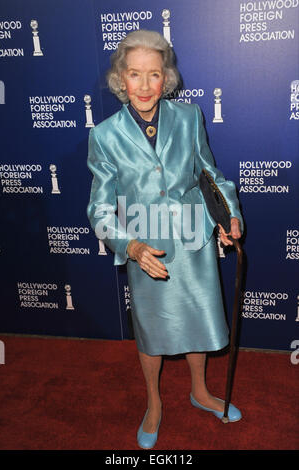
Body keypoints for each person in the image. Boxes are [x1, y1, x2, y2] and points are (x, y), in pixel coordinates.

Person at [87, 29, 243, 449]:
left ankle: (199, 391)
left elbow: (211, 175)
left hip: (195, 236)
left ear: (165, 77)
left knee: (200, 322)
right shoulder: (103, 136)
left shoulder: (190, 116)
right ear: (121, 79)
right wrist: (131, 247)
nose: (143, 85)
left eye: (153, 75)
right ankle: (154, 403)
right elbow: (99, 210)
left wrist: (229, 216)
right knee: (152, 332)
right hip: (146, 247)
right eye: (134, 74)